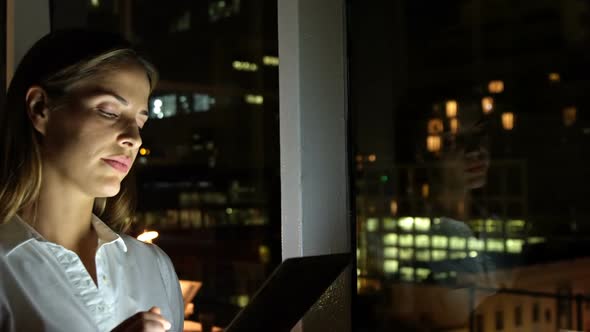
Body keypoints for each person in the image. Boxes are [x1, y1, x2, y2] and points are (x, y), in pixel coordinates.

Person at [0, 29, 184, 332]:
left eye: (140, 121)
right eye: (109, 111)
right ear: (39, 108)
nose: (133, 138)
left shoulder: (154, 267)